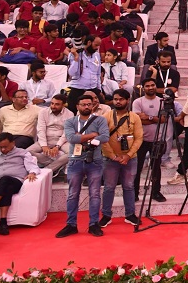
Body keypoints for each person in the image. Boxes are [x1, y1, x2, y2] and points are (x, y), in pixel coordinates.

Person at [56, 93, 110, 238]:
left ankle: (93, 224)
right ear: (77, 107)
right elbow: (71, 138)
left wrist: (83, 138)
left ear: (93, 105)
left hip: (95, 160)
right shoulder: (70, 121)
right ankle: (71, 224)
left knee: (95, 194)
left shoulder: (100, 120)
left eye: (89, 104)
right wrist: (92, 135)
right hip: (75, 160)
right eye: (84, 104)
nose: (87, 107)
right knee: (73, 194)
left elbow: (105, 137)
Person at [98, 89, 142, 228]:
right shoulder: (106, 116)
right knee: (109, 187)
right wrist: (113, 156)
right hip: (110, 159)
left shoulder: (135, 117)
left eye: (121, 99)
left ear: (128, 100)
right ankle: (106, 215)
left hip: (130, 158)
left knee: (129, 187)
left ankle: (130, 215)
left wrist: (128, 155)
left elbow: (139, 138)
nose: (118, 101)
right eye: (116, 99)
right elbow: (103, 139)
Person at [0, 133, 40, 235]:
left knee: (5, 179)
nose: (2, 150)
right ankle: (3, 223)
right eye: (0, 147)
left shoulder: (23, 153)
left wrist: (32, 173)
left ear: (13, 143)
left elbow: (33, 166)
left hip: (16, 181)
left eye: (5, 147)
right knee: (6, 188)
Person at [29, 93, 73, 175]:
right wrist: (44, 145)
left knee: (73, 152)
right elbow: (41, 130)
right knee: (27, 152)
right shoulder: (43, 112)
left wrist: (57, 146)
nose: (53, 106)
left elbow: (66, 133)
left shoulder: (69, 114)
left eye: (57, 104)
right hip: (46, 138)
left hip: (62, 140)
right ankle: (55, 165)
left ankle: (48, 169)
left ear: (64, 105)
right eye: (52, 103)